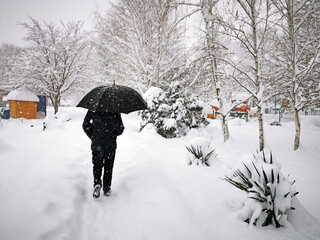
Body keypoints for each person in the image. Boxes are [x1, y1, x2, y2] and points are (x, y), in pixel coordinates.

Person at [82, 110, 124, 198]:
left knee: (97, 165)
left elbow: (85, 125)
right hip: (110, 144)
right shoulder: (115, 111)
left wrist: (93, 135)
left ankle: (97, 183)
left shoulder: (93, 110)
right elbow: (120, 129)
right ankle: (107, 188)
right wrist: (113, 133)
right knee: (108, 166)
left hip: (97, 144)